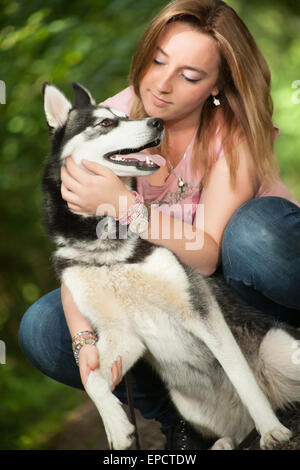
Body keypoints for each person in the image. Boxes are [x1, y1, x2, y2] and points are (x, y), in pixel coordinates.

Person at [19, 0, 300, 450]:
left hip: (249, 286)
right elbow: (80, 249)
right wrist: (83, 338)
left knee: (254, 236)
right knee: (43, 326)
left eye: (190, 76)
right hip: (166, 294)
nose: (162, 86)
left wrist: (123, 203)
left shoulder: (233, 130)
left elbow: (208, 256)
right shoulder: (110, 120)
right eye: (157, 61)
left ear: (217, 85)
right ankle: (184, 424)